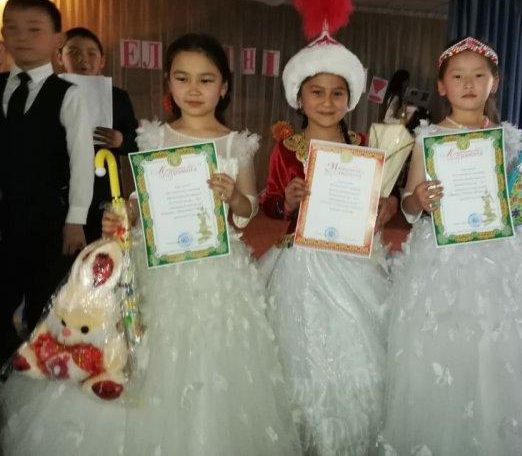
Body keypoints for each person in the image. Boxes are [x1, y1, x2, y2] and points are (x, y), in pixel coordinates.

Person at [0, 33, 301, 455]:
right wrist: (122, 215)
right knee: (144, 353)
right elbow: (139, 203)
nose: (193, 90)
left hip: (217, 275)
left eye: (206, 80)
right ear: (168, 83)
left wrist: (234, 196)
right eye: (182, 78)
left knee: (209, 362)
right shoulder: (154, 138)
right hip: (155, 266)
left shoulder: (236, 144)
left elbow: (248, 212)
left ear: (224, 87)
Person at [381, 37, 522, 455]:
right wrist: (418, 199)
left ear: (493, 83)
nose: (468, 84)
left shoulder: (511, 139)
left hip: (503, 262)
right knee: (449, 353)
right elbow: (407, 206)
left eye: (479, 75)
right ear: (442, 85)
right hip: (441, 262)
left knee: (502, 354)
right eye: (458, 76)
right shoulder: (427, 139)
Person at [260, 0, 393, 455]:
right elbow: (270, 202)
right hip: (301, 259)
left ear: (350, 98)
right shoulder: (287, 147)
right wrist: (287, 199)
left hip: (353, 258)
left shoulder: (361, 145)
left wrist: (382, 209)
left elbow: (374, 205)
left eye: (338, 93)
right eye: (317, 92)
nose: (327, 101)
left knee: (356, 342)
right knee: (304, 349)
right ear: (299, 96)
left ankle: (354, 431)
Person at [0, 0, 94, 365]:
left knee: (45, 304)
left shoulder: (68, 95)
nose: (21, 37)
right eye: (12, 29)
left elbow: (82, 160)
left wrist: (76, 219)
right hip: (4, 217)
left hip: (48, 220)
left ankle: (38, 372)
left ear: (58, 39)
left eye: (34, 29)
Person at [59, 26, 139, 242]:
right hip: (61, 191)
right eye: (73, 52)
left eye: (91, 53)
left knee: (105, 248)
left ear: (102, 61)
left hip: (104, 188)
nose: (83, 59)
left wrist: (120, 140)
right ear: (60, 58)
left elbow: (137, 142)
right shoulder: (51, 94)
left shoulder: (117, 97)